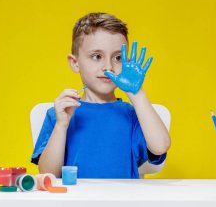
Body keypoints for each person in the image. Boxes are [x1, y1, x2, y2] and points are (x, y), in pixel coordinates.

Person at [31, 12, 171, 178]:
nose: (108, 67)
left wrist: (137, 93)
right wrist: (61, 126)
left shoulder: (133, 115)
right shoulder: (59, 114)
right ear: (75, 63)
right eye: (97, 56)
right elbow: (48, 174)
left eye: (118, 58)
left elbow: (161, 146)